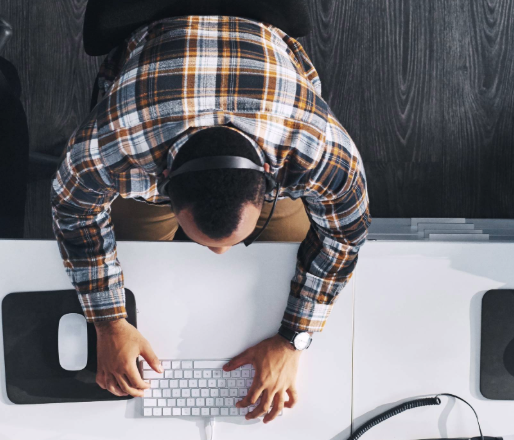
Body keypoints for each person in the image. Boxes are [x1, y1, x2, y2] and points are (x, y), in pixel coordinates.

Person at [53, 0, 369, 424]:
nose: (219, 255)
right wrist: (110, 322)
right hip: (153, 97)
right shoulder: (115, 145)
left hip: (264, 81)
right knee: (140, 270)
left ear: (269, 184)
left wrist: (294, 339)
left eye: (232, 241)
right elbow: (73, 213)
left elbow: (346, 236)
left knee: (288, 259)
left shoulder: (315, 146)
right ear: (160, 183)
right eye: (206, 242)